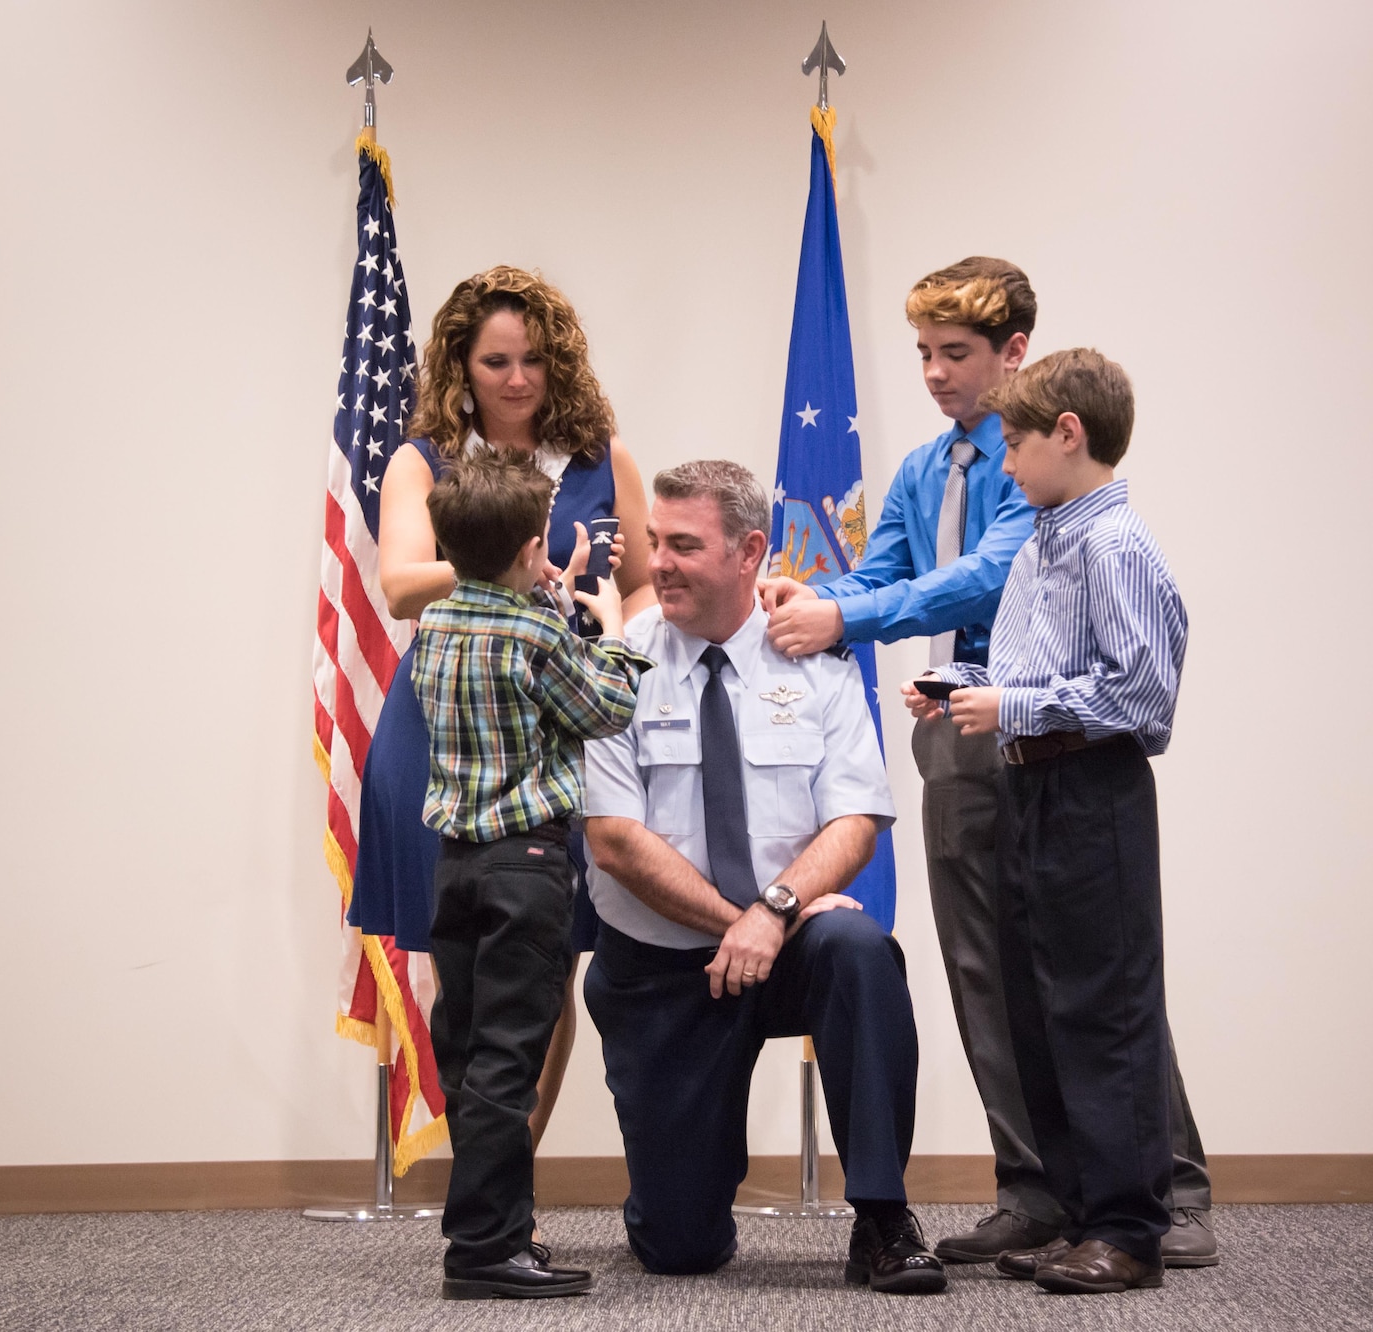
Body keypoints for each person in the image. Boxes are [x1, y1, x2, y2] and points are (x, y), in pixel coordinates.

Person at [762, 258, 1218, 1268]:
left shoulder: (1046, 487)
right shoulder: (930, 468)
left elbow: (978, 577)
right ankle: (1038, 1188)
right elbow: (882, 567)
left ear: (1014, 356)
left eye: (953, 353)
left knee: (1096, 978)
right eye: (921, 352)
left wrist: (849, 615)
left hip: (1050, 740)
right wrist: (805, 599)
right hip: (962, 735)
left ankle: (1159, 1194)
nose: (932, 373)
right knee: (991, 972)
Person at [581, 460, 946, 1296]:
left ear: (751, 552)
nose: (658, 563)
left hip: (786, 940)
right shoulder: (617, 666)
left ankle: (884, 1220)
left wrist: (775, 912)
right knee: (679, 1247)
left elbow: (858, 817)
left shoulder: (816, 662)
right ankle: (678, 1196)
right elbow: (613, 840)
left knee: (858, 948)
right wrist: (736, 922)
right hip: (667, 967)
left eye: (682, 545)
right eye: (653, 544)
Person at [349, 266, 654, 1148]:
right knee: (467, 956)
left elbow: (639, 586)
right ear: (460, 366)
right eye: (495, 362)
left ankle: (511, 1167)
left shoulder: (604, 457)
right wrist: (510, 565)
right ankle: (483, 1161)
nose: (518, 380)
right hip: (446, 727)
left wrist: (609, 638)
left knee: (548, 954)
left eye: (534, 360)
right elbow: (402, 585)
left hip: (565, 713)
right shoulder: (424, 460)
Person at [905, 348, 1185, 1296]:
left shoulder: (1115, 545)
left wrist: (1015, 712)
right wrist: (965, 688)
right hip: (1029, 790)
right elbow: (1033, 676)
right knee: (1040, 1005)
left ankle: (1130, 1230)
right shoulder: (1041, 542)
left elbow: (1142, 693)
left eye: (1016, 443)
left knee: (1103, 1010)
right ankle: (1071, 1212)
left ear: (1070, 435)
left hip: (1091, 792)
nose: (1007, 464)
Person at [414, 453, 649, 1299]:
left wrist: (547, 591)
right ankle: (485, 1248)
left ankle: (493, 1229)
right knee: (515, 1057)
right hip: (530, 864)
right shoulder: (540, 632)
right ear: (528, 546)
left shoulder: (437, 622)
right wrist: (613, 626)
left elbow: (506, 670)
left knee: (472, 1053)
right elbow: (604, 709)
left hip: (457, 867)